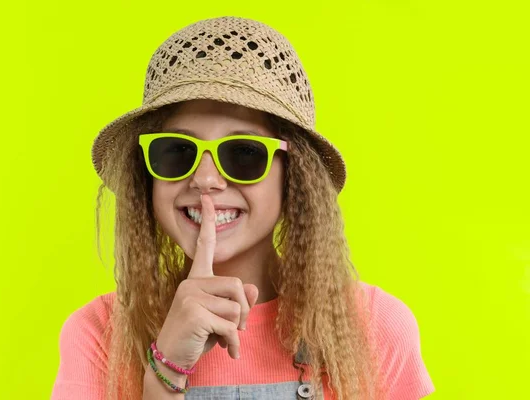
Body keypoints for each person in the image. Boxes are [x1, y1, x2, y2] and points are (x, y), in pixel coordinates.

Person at [51, 16, 435, 400]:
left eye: (244, 154)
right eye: (176, 151)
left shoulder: (373, 327)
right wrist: (165, 371)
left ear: (294, 177)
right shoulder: (99, 335)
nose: (205, 179)